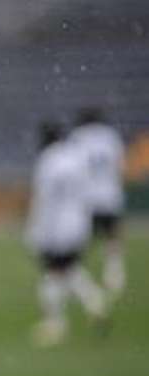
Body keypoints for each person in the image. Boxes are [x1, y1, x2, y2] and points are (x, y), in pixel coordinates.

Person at [26, 121, 107, 347]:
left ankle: (55, 322)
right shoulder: (77, 156)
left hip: (56, 224)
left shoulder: (48, 160)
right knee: (68, 269)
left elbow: (45, 200)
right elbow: (88, 191)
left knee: (52, 272)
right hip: (79, 222)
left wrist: (37, 231)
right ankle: (95, 302)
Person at [69, 107, 127, 299]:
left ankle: (77, 277)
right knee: (112, 236)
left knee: (81, 240)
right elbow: (120, 165)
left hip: (87, 198)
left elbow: (72, 167)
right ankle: (114, 274)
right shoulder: (110, 136)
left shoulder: (78, 136)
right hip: (110, 194)